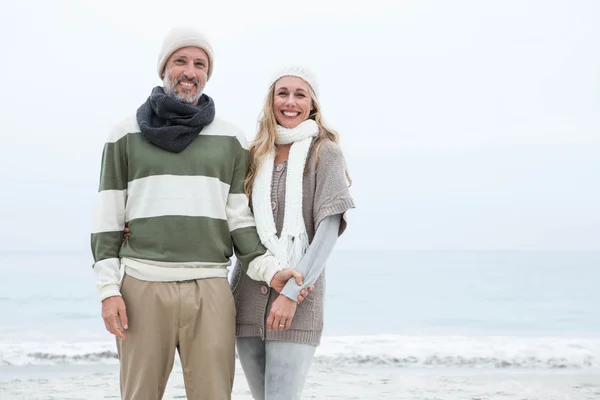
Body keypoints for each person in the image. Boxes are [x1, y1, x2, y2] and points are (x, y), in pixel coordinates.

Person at [90, 27, 308, 400]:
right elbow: (107, 223)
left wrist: (272, 271)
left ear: (207, 73)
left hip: (210, 289)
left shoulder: (231, 139)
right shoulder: (123, 135)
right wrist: (108, 291)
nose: (190, 71)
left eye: (199, 64)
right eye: (180, 61)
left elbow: (240, 223)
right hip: (142, 287)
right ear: (163, 68)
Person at [230, 65, 355, 399]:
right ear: (271, 100)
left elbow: (329, 228)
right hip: (246, 298)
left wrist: (290, 294)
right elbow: (232, 218)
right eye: (282, 93)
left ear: (312, 103)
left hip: (298, 301)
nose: (290, 102)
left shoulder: (323, 152)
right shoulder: (254, 154)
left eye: (300, 94)